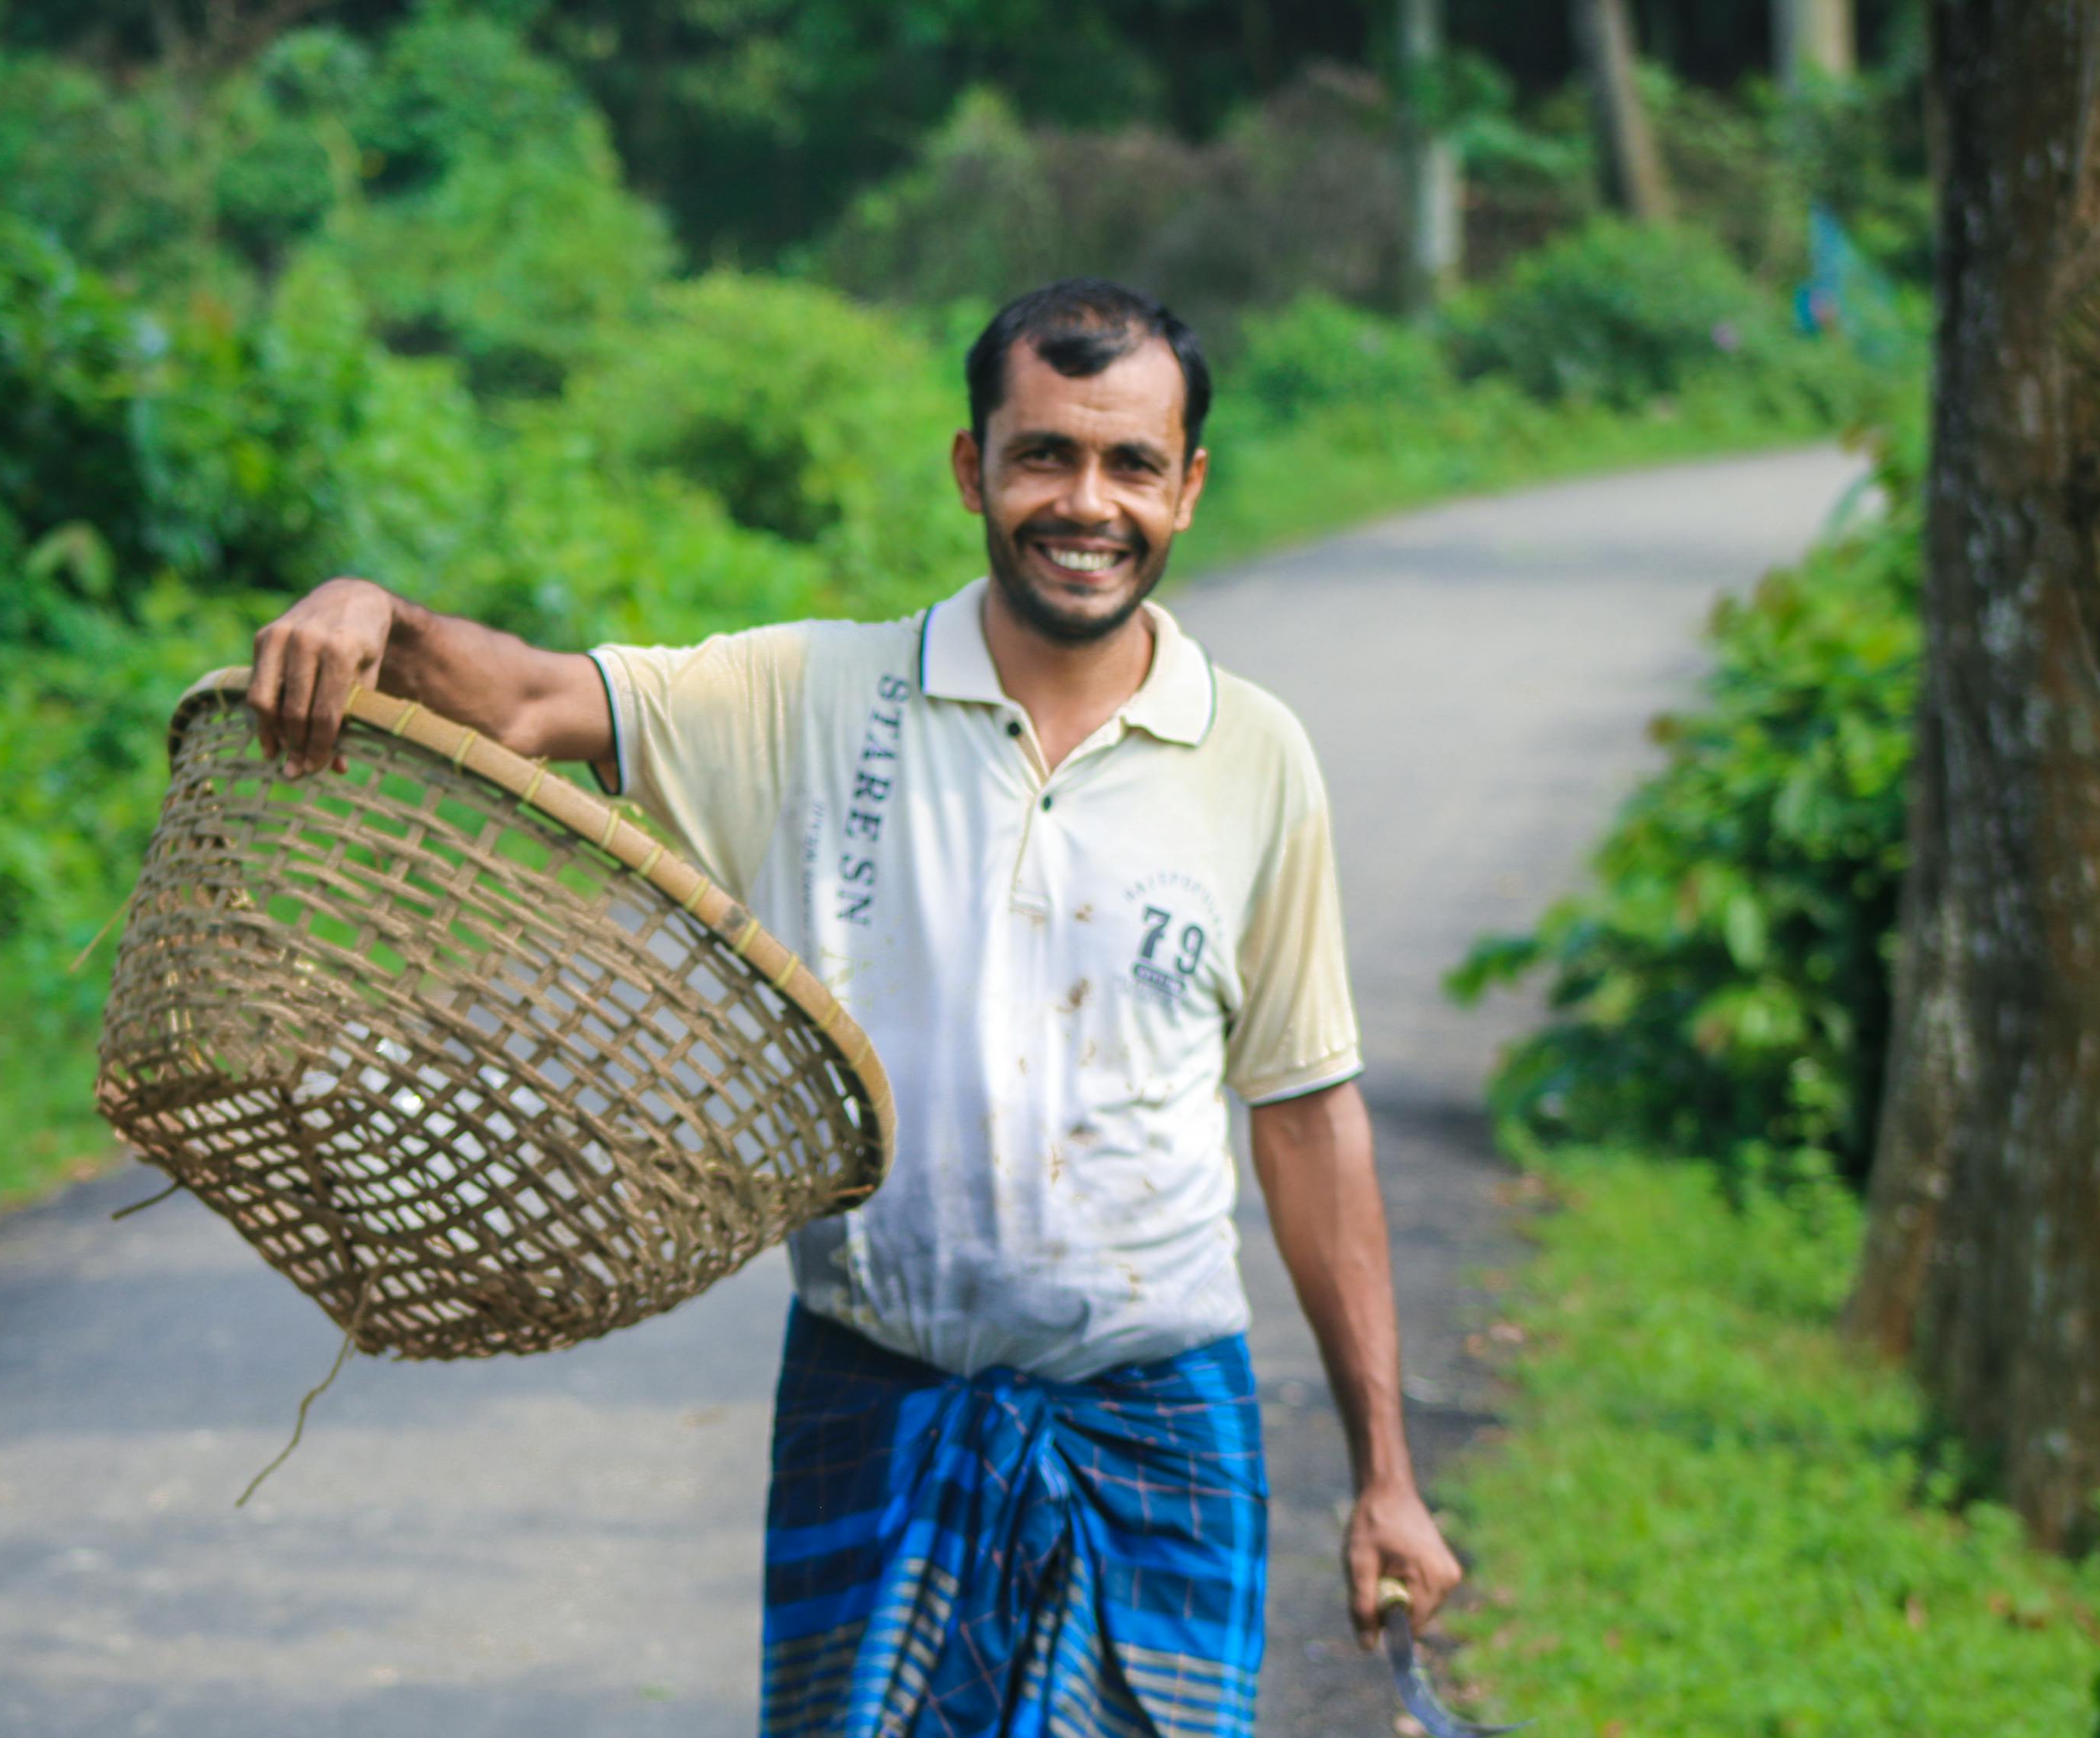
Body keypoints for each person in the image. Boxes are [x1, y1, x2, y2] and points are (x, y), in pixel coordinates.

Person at [246, 278, 1461, 1736]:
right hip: (878, 1400)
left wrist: (1387, 1476)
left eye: (1130, 464)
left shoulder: (1255, 755)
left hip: (1159, 1424)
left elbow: (1309, 1119)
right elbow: (521, 703)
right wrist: (369, 614)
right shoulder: (814, 698)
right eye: (1044, 455)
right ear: (971, 468)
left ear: (1187, 488)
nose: (1087, 503)